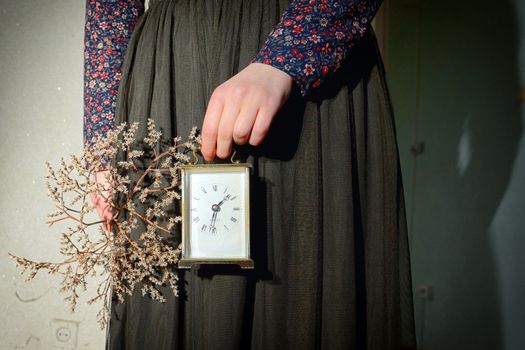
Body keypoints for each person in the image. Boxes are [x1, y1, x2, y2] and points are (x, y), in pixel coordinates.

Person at [84, 0, 417, 349]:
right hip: (171, 69)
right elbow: (110, 8)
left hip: (308, 59)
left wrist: (287, 55)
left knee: (299, 289)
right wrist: (104, 151)